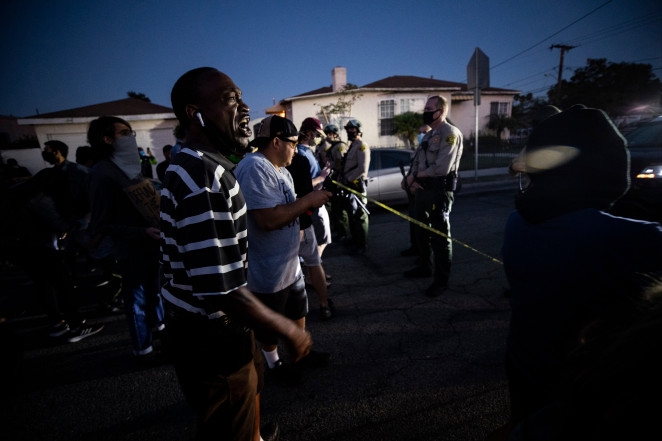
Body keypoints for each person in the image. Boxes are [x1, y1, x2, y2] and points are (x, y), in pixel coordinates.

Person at [161, 67, 312, 441]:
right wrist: (286, 328)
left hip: (222, 327)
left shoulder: (204, 164)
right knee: (231, 420)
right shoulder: (202, 177)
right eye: (230, 99)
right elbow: (220, 289)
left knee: (250, 391)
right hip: (211, 334)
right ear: (194, 113)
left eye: (242, 96)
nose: (244, 108)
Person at [501, 105, 662, 432]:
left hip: (525, 370)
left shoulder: (517, 221)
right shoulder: (633, 238)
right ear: (610, 169)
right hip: (586, 393)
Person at [235, 115, 332, 380]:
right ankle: (275, 365)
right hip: (268, 268)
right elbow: (266, 220)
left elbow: (288, 206)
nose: (296, 147)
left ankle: (299, 356)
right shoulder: (255, 167)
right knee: (269, 325)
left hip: (289, 262)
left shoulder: (281, 169)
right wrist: (308, 200)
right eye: (292, 142)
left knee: (297, 310)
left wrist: (311, 201)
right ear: (276, 142)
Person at [7, 140, 103, 342]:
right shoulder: (43, 198)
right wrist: (76, 226)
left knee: (44, 284)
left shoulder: (25, 193)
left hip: (19, 244)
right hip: (37, 245)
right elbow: (60, 223)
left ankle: (57, 325)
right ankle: (75, 328)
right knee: (62, 283)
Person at [87, 116, 164, 361]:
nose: (131, 137)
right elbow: (101, 223)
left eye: (131, 132)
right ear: (107, 139)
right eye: (124, 133)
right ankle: (143, 349)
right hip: (131, 250)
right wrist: (140, 232)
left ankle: (159, 332)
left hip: (153, 242)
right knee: (137, 299)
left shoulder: (131, 165)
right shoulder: (102, 173)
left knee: (155, 291)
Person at [403, 96, 463, 297]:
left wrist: (414, 177)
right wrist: (412, 179)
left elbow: (442, 168)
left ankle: (441, 280)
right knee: (421, 231)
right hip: (423, 190)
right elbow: (419, 161)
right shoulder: (428, 136)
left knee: (440, 236)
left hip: (439, 191)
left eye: (429, 108)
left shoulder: (450, 134)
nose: (425, 111)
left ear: (441, 111)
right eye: (425, 108)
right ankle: (424, 266)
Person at [286, 144, 334, 320]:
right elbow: (307, 193)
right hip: (301, 223)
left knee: (290, 268)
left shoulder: (267, 164)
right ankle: (324, 305)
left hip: (283, 224)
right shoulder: (299, 161)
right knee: (314, 263)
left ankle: (291, 311)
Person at [338, 119, 370, 254]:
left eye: (353, 129)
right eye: (348, 129)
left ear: (359, 130)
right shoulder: (353, 145)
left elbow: (362, 168)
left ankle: (362, 245)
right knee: (352, 214)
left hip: (357, 185)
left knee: (360, 215)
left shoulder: (362, 146)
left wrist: (348, 179)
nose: (350, 132)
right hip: (349, 184)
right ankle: (355, 239)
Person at [322, 124, 349, 241]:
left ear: (335, 134)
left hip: (339, 180)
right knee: (335, 208)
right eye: (326, 133)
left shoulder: (340, 146)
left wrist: (337, 176)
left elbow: (341, 164)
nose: (328, 136)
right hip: (333, 179)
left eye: (330, 133)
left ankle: (345, 232)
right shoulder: (332, 146)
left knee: (341, 209)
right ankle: (340, 230)